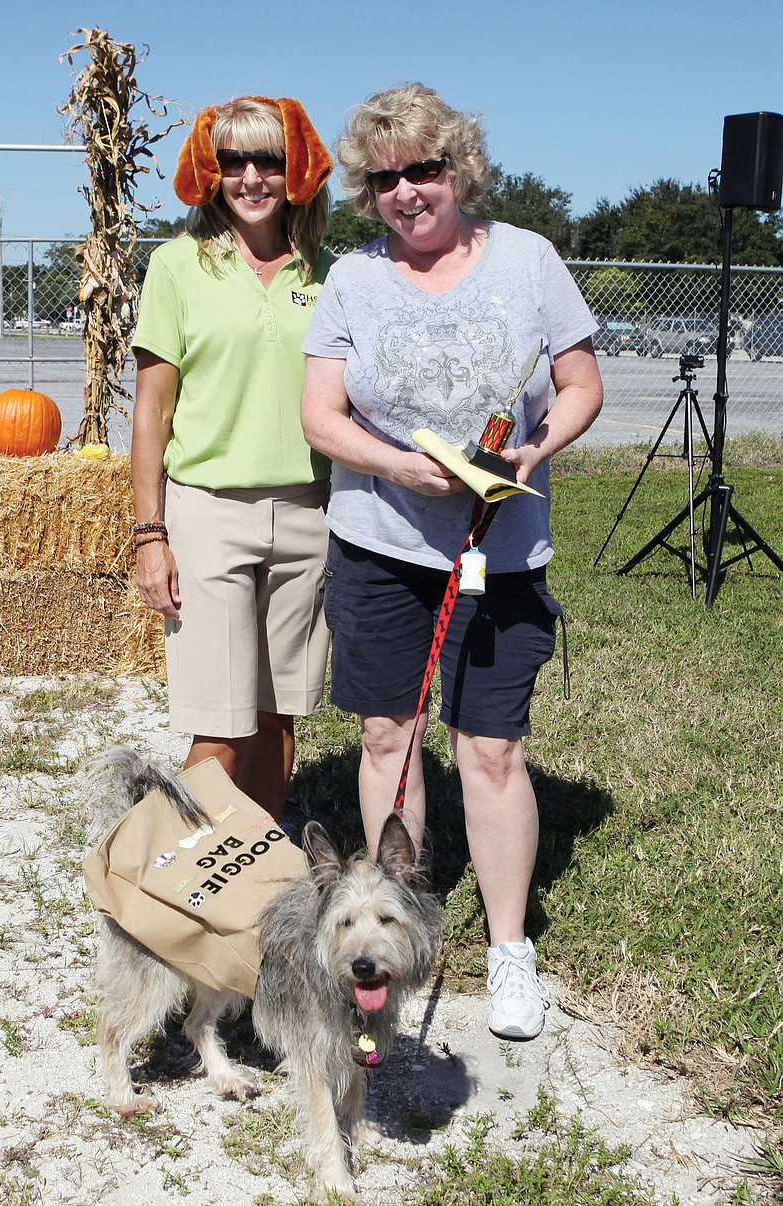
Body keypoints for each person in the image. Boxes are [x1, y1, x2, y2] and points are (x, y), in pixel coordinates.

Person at [301, 83, 603, 1040]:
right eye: (384, 177)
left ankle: (510, 948)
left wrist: (534, 453)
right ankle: (396, 925)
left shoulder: (528, 259)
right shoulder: (353, 277)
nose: (405, 191)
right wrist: (397, 467)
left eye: (422, 170)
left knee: (492, 748)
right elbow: (320, 414)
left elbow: (579, 383)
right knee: (389, 739)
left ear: (457, 167)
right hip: (382, 546)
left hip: (498, 551)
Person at [131, 95, 334, 818]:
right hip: (209, 514)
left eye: (268, 160)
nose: (252, 177)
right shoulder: (177, 267)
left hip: (308, 515)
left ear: (297, 172)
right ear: (212, 173)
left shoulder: (326, 272)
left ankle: (256, 883)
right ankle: (163, 885)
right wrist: (149, 535)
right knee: (219, 727)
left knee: (278, 717)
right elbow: (152, 411)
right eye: (234, 160)